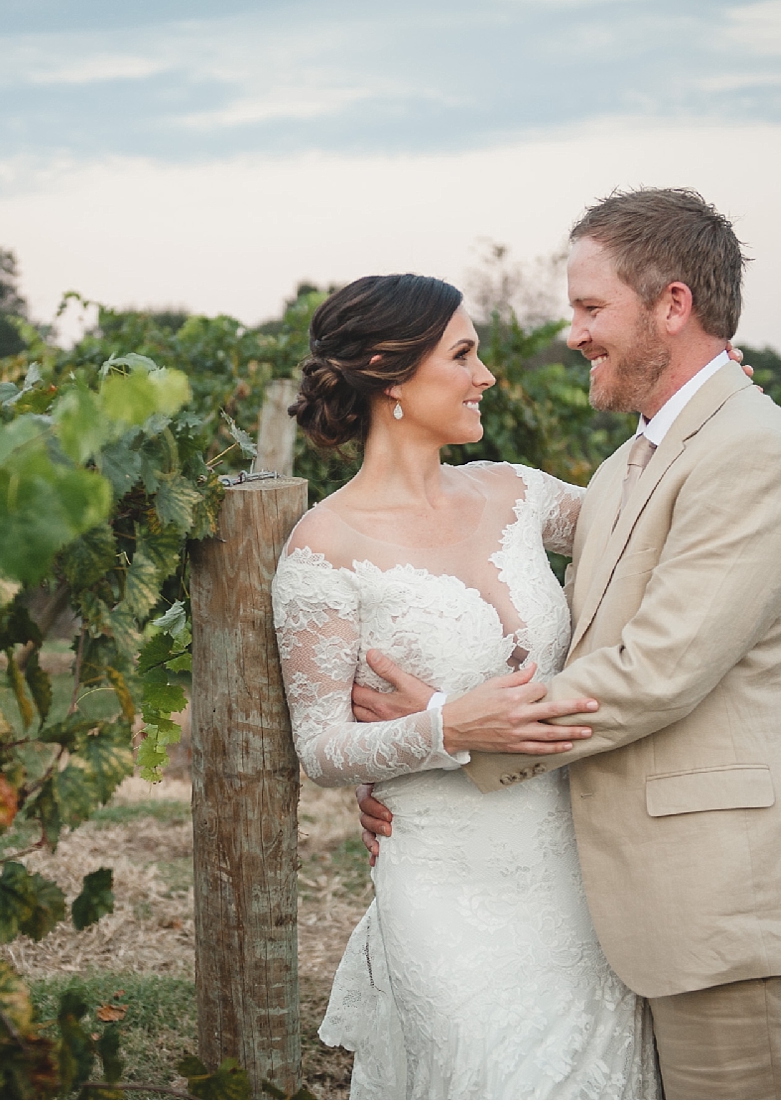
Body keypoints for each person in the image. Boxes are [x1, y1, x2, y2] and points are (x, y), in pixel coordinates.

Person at [353, 187, 781, 1099]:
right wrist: (415, 765)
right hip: (638, 907)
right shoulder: (631, 460)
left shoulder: (754, 450)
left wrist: (452, 730)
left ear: (673, 305)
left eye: (592, 308)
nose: (573, 334)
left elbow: (654, 673)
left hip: (732, 908)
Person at [269, 272, 661, 1098]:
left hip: (575, 871)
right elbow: (323, 746)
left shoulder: (515, 490)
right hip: (442, 886)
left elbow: (651, 516)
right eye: (464, 354)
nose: (486, 375)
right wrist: (448, 730)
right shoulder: (324, 547)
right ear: (388, 372)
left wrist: (702, 415)